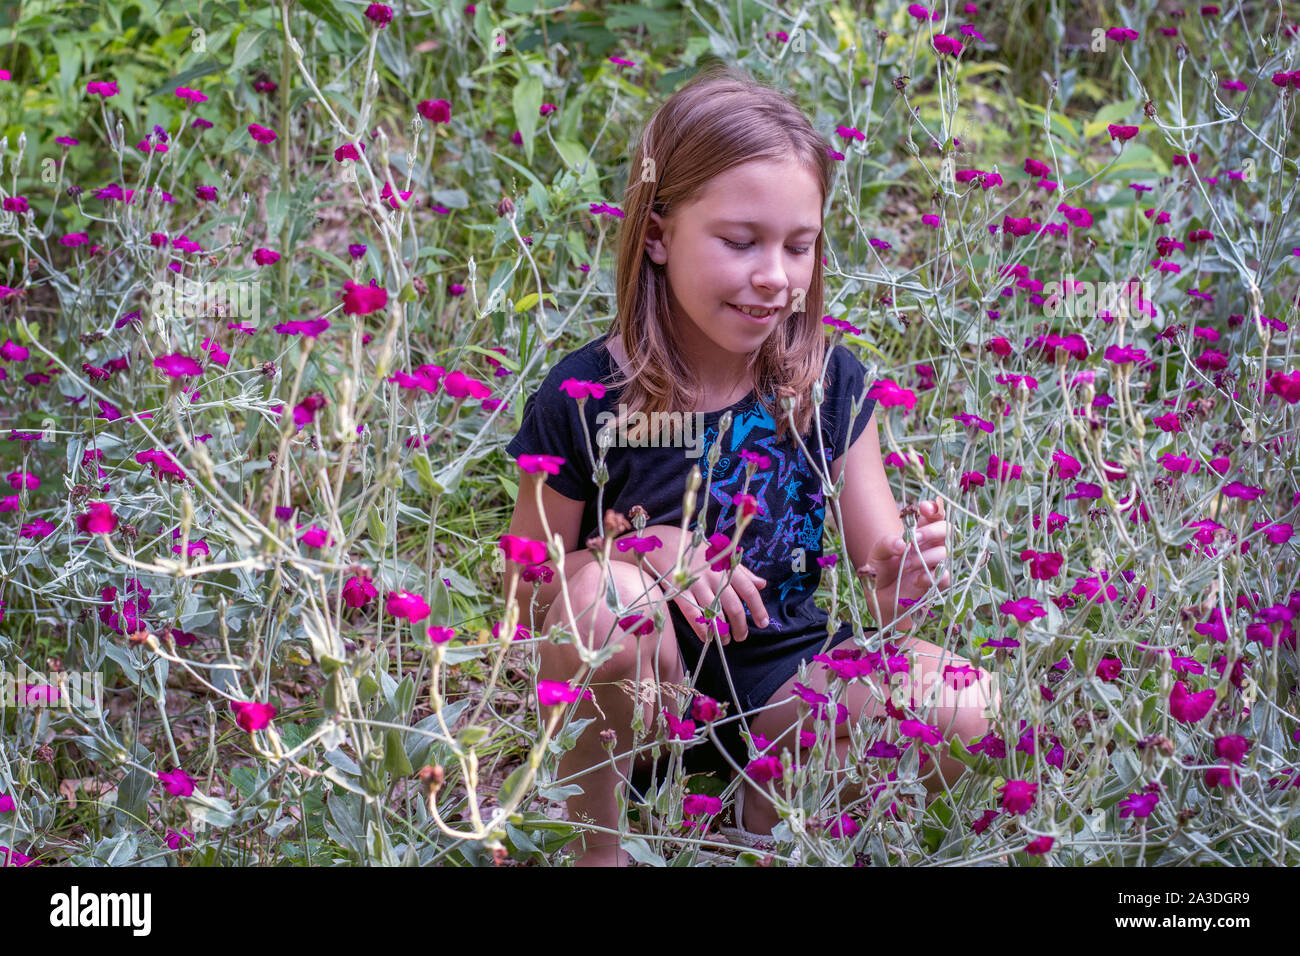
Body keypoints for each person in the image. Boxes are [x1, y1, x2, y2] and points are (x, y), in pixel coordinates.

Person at [503, 64, 996, 866]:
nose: (775, 275)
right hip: (632, 700)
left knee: (964, 703)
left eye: (798, 247)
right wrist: (643, 553)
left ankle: (755, 823)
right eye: (741, 242)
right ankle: (598, 844)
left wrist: (904, 575)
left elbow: (883, 578)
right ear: (657, 233)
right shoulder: (587, 396)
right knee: (610, 607)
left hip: (781, 686)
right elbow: (525, 602)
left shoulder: (827, 384)